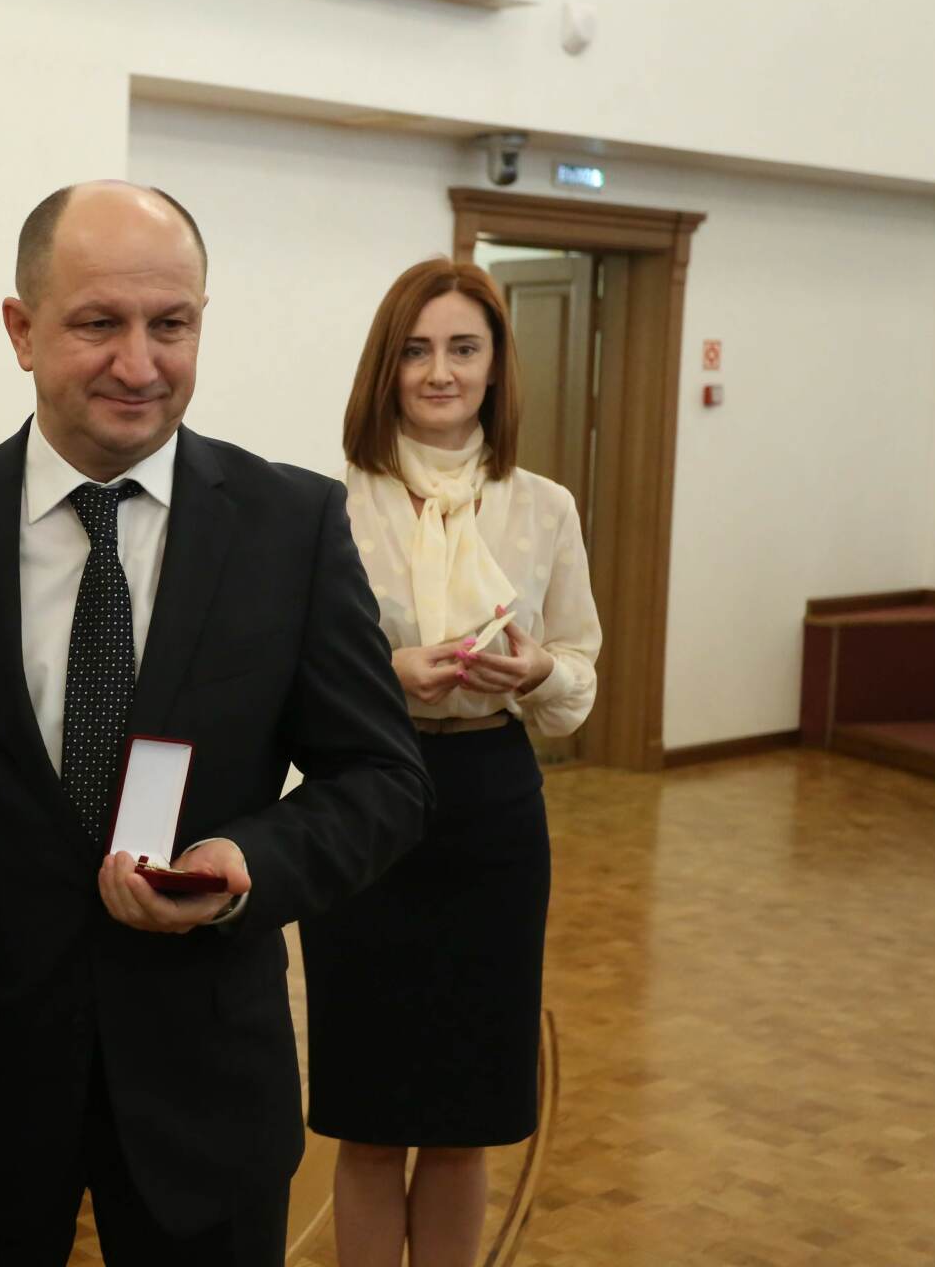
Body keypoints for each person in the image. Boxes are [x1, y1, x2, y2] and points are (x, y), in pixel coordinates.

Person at [0, 181, 432, 1266]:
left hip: (205, 1081)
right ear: (22, 330)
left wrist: (248, 861)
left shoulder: (290, 528)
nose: (139, 364)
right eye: (99, 322)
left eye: (171, 325)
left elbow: (381, 779)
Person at [299, 258, 600, 1267]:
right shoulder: (327, 505)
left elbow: (579, 667)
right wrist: (388, 674)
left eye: (463, 348)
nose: (440, 371)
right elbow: (296, 678)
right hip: (365, 797)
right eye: (417, 350)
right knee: (369, 1113)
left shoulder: (544, 506)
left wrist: (537, 668)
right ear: (386, 366)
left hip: (492, 803)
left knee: (468, 1111)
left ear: (495, 365)